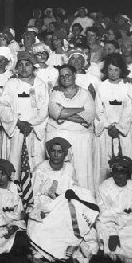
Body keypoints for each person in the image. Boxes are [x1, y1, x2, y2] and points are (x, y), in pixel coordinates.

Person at [26, 137, 99, 263]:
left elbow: (74, 190)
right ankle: (56, 252)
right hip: (46, 206)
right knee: (40, 230)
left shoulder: (69, 169)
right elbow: (34, 196)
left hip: (65, 205)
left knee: (84, 227)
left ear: (65, 154)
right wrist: (42, 209)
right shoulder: (40, 169)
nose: (55, 154)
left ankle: (77, 248)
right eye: (53, 151)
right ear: (48, 152)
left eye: (59, 152)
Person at [0, 52, 50, 193]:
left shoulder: (40, 84)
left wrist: (30, 124)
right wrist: (18, 122)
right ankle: (13, 196)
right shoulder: (11, 83)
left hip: (33, 131)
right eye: (20, 65)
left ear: (33, 66)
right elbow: (3, 106)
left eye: (27, 64)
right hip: (16, 130)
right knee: (14, 163)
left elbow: (44, 108)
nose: (23, 68)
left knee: (35, 166)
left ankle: (34, 197)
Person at [45, 64, 98, 194]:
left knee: (81, 172)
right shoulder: (55, 93)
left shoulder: (85, 93)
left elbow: (89, 117)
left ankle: (83, 202)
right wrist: (80, 110)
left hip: (81, 138)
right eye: (62, 76)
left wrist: (64, 112)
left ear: (74, 76)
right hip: (59, 135)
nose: (65, 78)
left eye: (67, 75)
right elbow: (55, 113)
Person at [93, 54, 132, 185]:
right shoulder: (102, 87)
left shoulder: (127, 86)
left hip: (123, 131)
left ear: (121, 70)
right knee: (106, 161)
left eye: (116, 70)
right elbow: (98, 110)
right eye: (110, 69)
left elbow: (130, 109)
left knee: (126, 158)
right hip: (106, 131)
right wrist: (109, 126)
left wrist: (119, 127)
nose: (113, 73)